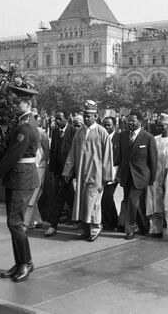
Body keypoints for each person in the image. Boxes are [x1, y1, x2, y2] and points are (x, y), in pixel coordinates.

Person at [0, 86, 40, 283]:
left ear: (28, 103)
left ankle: (26, 262)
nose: (14, 105)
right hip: (17, 177)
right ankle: (19, 261)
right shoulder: (21, 122)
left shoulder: (26, 126)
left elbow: (13, 155)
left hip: (22, 178)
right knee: (13, 224)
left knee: (15, 223)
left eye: (18, 102)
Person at [62, 100, 112, 242]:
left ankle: (95, 229)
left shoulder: (102, 132)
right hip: (81, 174)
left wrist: (106, 177)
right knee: (82, 203)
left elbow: (108, 156)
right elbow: (72, 154)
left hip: (96, 175)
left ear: (95, 116)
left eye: (89, 116)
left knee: (93, 203)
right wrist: (67, 172)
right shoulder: (80, 132)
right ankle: (85, 230)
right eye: (85, 115)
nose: (86, 118)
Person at [116, 110, 158, 240]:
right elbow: (121, 157)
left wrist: (152, 179)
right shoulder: (122, 136)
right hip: (126, 175)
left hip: (141, 176)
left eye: (133, 121)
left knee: (132, 201)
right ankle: (144, 226)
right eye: (129, 120)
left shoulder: (148, 137)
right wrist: (118, 174)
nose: (130, 123)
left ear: (140, 121)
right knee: (133, 202)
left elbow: (153, 160)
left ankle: (130, 228)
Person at [43, 110, 77, 237]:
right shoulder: (55, 131)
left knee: (59, 197)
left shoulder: (74, 132)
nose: (57, 121)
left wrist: (72, 172)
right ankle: (82, 220)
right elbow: (53, 152)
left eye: (60, 119)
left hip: (68, 172)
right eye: (56, 119)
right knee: (69, 196)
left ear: (67, 118)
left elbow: (75, 153)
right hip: (58, 171)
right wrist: (52, 170)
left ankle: (53, 225)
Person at [145, 113, 168, 238]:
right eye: (158, 126)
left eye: (162, 126)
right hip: (156, 175)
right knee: (155, 202)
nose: (160, 128)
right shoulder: (154, 139)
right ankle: (156, 228)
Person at [23, 116, 49, 230]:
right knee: (32, 195)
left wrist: (45, 166)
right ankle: (37, 220)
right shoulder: (24, 131)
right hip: (29, 166)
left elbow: (46, 151)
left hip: (39, 167)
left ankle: (26, 223)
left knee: (33, 195)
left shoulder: (42, 133)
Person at [101, 116, 121, 231]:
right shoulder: (101, 136)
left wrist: (119, 175)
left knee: (107, 196)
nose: (107, 127)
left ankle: (111, 223)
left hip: (114, 171)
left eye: (109, 125)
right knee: (104, 197)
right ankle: (110, 221)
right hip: (102, 171)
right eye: (105, 125)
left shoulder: (119, 138)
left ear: (114, 125)